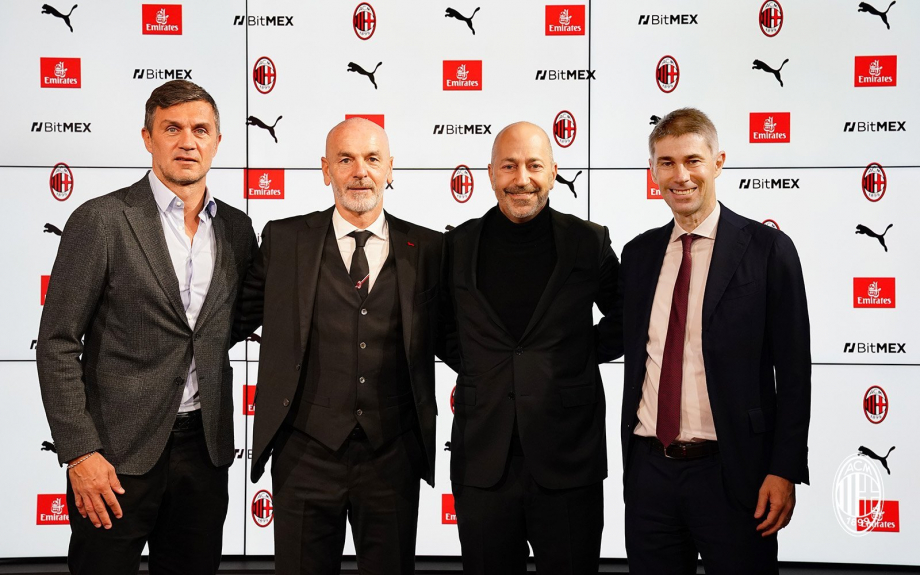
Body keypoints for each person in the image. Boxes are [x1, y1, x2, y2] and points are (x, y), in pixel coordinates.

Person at [36, 80, 257, 574]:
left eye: (200, 130)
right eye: (172, 128)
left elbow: (228, 323)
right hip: (114, 457)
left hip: (205, 451)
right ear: (147, 138)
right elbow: (56, 343)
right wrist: (80, 453)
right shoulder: (102, 220)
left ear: (218, 142)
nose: (187, 142)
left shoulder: (238, 229)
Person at [234, 118, 442, 575]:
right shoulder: (284, 240)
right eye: (345, 159)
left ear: (390, 169)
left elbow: (458, 338)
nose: (359, 171)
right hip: (304, 454)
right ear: (326, 169)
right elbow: (230, 321)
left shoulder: (428, 248)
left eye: (372, 159)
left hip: (393, 456)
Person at [618, 107, 811, 574]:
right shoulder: (639, 254)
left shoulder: (768, 250)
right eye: (666, 163)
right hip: (649, 473)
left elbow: (794, 371)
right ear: (652, 171)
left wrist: (784, 469)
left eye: (693, 160)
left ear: (718, 162)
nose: (680, 176)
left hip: (734, 472)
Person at [439, 122, 620, 574]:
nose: (522, 179)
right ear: (490, 173)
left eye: (534, 165)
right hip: (482, 458)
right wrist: (481, 366)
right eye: (509, 166)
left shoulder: (588, 241)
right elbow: (438, 327)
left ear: (554, 172)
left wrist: (574, 358)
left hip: (569, 456)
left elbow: (627, 318)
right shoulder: (456, 244)